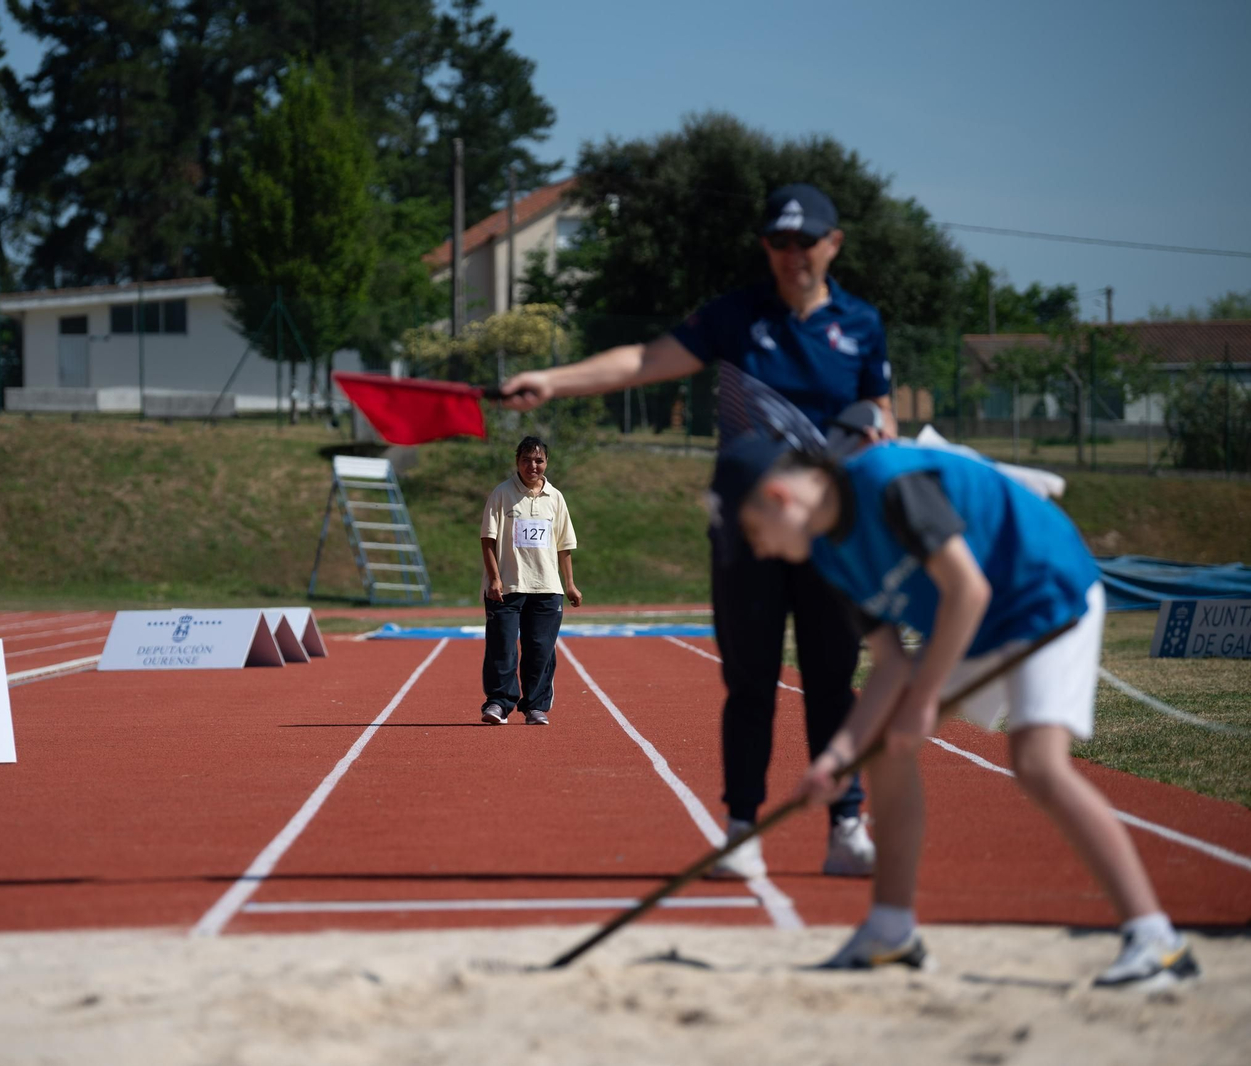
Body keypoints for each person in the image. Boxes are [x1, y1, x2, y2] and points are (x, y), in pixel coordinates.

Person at [713, 433, 1199, 989]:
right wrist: (837, 758)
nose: (761, 551)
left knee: (1038, 764)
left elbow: (967, 589)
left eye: (753, 534)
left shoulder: (885, 481)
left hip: (1046, 593)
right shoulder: (828, 553)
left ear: (778, 496)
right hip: (977, 624)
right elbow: (891, 666)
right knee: (885, 752)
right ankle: (891, 932)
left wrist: (923, 702)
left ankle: (1156, 939)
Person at [501, 183, 891, 876]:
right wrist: (555, 381)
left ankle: (847, 825)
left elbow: (880, 417)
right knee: (751, 680)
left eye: (806, 241)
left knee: (833, 680)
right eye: (779, 241)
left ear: (833, 244)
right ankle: (742, 831)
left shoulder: (861, 325)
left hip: (832, 535)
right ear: (765, 247)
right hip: (746, 534)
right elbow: (645, 361)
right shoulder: (736, 317)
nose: (792, 254)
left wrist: (866, 457)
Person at [479, 436, 583, 726]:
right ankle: (498, 703)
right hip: (507, 588)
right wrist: (495, 579)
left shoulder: (556, 498)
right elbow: (488, 539)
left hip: (547, 588)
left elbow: (564, 545)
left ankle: (535, 707)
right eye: (526, 460)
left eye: (538, 460)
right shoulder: (501, 494)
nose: (532, 466)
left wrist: (570, 584)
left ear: (546, 463)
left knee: (540, 650)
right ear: (517, 462)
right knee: (502, 647)